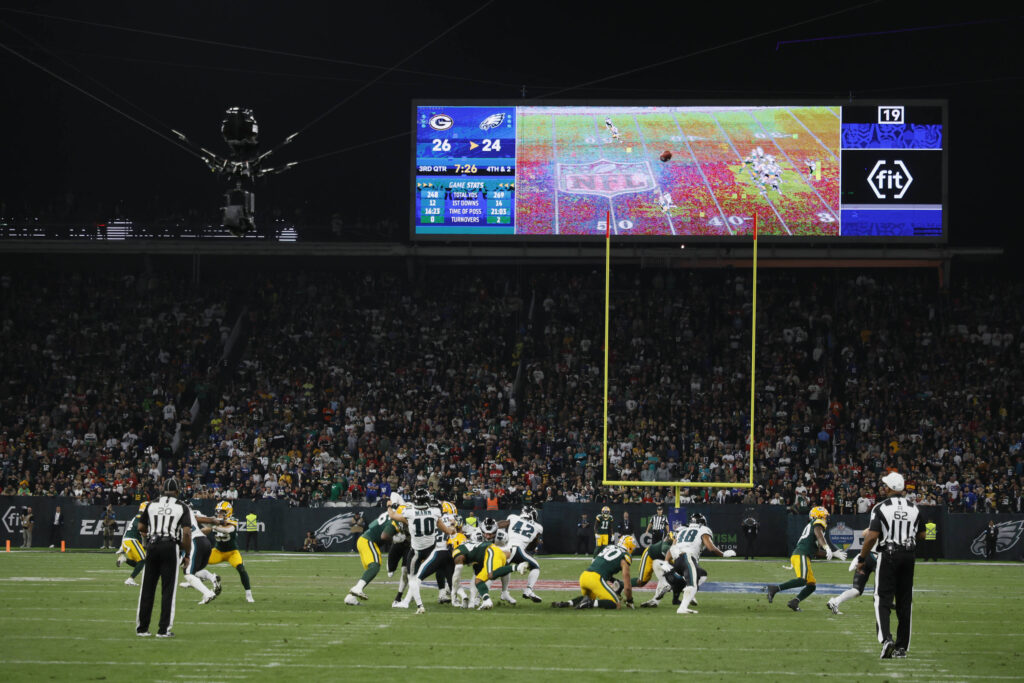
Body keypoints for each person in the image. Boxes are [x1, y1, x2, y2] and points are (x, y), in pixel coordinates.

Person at [858, 471, 922, 659]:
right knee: (904, 602)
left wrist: (862, 558)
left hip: (889, 554)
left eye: (886, 485)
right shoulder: (914, 508)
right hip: (909, 555)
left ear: (891, 488)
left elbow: (872, 536)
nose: (883, 488)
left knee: (882, 599)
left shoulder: (880, 507)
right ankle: (902, 648)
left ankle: (886, 640)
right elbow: (923, 534)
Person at [135, 478, 191, 638]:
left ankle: (142, 629)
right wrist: (186, 554)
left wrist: (152, 532)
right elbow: (186, 533)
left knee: (147, 588)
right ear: (177, 492)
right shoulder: (182, 506)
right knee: (168, 589)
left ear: (162, 490)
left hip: (152, 544)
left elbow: (140, 526)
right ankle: (163, 629)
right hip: (170, 545)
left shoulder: (151, 504)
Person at [765, 506, 846, 612]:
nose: (826, 518)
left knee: (811, 585)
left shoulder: (814, 526)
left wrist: (834, 553)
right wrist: (827, 547)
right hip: (801, 554)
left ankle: (795, 602)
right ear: (819, 516)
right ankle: (774, 589)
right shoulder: (817, 524)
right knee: (802, 579)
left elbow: (816, 551)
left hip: (804, 555)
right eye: (825, 516)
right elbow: (818, 533)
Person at [663, 514, 735, 614]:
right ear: (702, 523)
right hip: (687, 558)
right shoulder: (703, 529)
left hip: (677, 561)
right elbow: (711, 548)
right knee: (692, 585)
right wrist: (723, 554)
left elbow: (672, 548)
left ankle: (686, 591)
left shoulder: (682, 530)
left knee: (702, 574)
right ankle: (682, 607)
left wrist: (666, 561)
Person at [552, 535, 637, 610]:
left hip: (584, 576)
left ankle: (567, 603)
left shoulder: (609, 547)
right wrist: (630, 600)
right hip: (596, 579)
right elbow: (627, 587)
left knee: (590, 597)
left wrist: (612, 579)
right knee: (616, 604)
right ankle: (589, 604)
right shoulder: (625, 556)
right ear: (630, 547)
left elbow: (600, 565)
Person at [345, 500, 400, 605]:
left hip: (364, 540)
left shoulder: (388, 513)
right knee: (375, 566)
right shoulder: (395, 519)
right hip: (368, 540)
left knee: (371, 569)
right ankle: (357, 589)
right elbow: (384, 535)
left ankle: (351, 597)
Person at [205, 501, 254, 602]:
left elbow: (227, 530)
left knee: (241, 569)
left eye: (222, 512)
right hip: (218, 551)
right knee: (198, 561)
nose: (219, 514)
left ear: (228, 512)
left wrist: (214, 526)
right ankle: (206, 580)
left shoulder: (233, 520)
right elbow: (205, 527)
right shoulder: (215, 520)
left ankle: (248, 594)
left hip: (232, 552)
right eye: (218, 512)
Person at [498, 504, 544, 602]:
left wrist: (489, 528)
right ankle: (528, 590)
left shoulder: (513, 517)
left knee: (499, 569)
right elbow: (531, 547)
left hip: (506, 549)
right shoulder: (538, 527)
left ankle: (500, 593)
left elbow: (502, 524)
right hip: (519, 550)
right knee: (535, 566)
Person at [826, 527, 877, 616]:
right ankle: (835, 602)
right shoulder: (883, 526)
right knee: (857, 590)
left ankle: (834, 601)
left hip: (867, 557)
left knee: (857, 591)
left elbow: (864, 533)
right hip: (872, 558)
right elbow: (865, 533)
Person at [118, 502, 149, 586]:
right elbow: (142, 532)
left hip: (128, 540)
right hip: (132, 540)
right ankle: (130, 579)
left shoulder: (139, 516)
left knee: (139, 563)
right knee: (143, 560)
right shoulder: (141, 516)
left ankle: (125, 559)